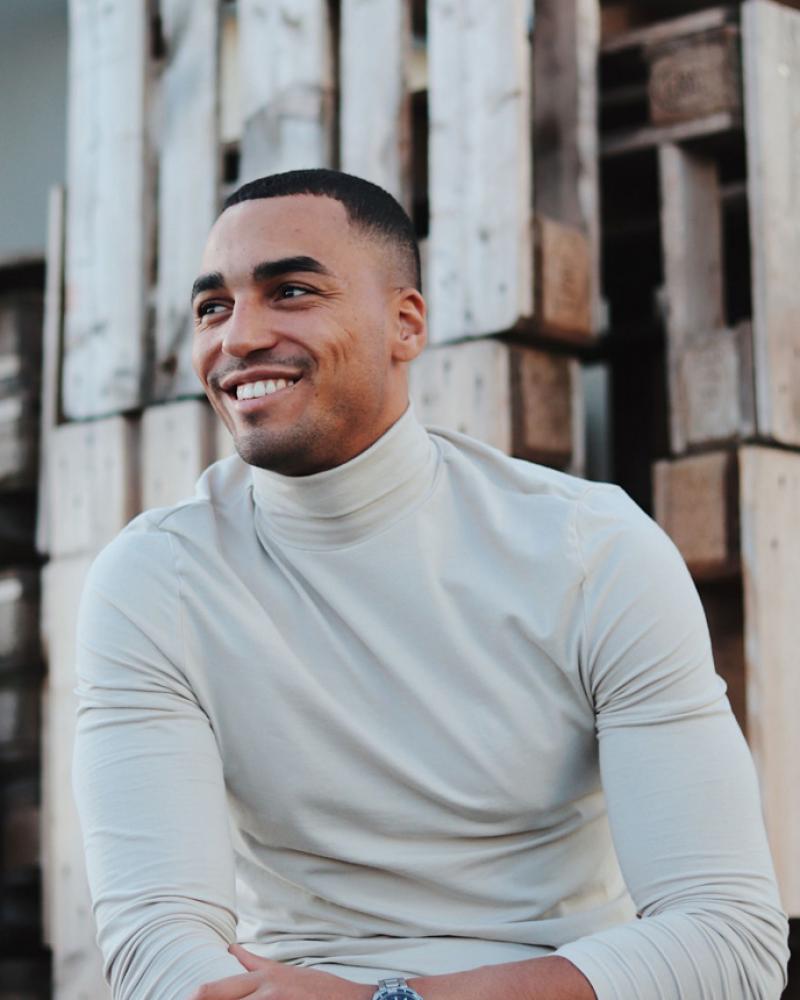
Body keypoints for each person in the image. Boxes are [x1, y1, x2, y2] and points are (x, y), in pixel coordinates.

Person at [72, 169, 790, 1000]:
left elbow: (731, 942)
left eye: (291, 291)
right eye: (213, 307)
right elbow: (156, 942)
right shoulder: (157, 582)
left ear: (405, 323)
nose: (239, 336)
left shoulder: (590, 552)